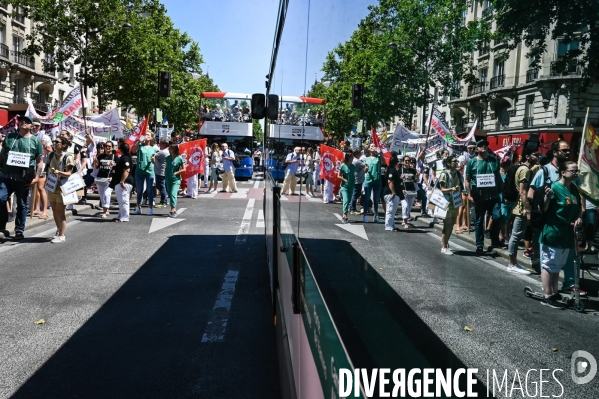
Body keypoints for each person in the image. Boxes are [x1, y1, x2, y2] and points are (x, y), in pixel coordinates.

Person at [538, 161, 583, 309]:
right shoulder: (554, 187)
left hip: (567, 234)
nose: (576, 173)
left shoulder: (574, 189)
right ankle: (547, 295)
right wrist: (546, 198)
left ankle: (555, 291)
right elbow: (543, 209)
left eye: (577, 171)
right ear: (563, 172)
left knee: (558, 264)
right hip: (553, 232)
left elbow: (578, 208)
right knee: (549, 264)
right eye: (573, 171)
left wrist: (578, 218)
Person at [0, 115, 44, 239]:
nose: (23, 122)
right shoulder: (9, 137)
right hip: (6, 175)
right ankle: (2, 223)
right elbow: (3, 154)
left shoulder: (36, 141)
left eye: (27, 121)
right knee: (1, 198)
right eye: (21, 121)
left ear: (32, 126)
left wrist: (36, 177)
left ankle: (19, 230)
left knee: (22, 203)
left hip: (24, 178)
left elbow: (39, 160)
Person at [465, 139, 503, 253]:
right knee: (479, 221)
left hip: (493, 195)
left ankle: (494, 238)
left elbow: (498, 177)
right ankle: (479, 244)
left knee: (498, 216)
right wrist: (469, 194)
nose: (484, 147)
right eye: (481, 145)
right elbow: (467, 180)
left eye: (486, 145)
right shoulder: (472, 162)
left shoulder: (494, 160)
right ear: (476, 149)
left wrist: (503, 191)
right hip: (479, 196)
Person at [506, 147, 539, 274]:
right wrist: (528, 209)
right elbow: (523, 191)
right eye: (535, 155)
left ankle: (513, 262)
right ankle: (512, 264)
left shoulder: (524, 168)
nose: (538, 156)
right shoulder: (525, 170)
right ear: (527, 156)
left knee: (517, 234)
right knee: (516, 235)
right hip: (522, 208)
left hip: (521, 207)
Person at [46, 136, 75, 243]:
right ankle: (58, 231)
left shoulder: (68, 157)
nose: (54, 143)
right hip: (52, 186)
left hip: (63, 187)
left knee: (60, 211)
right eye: (54, 141)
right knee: (54, 210)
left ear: (63, 145)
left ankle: (62, 235)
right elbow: (47, 168)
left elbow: (69, 173)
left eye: (57, 142)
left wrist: (59, 172)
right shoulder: (51, 154)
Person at [438, 155, 464, 254]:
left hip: (456, 202)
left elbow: (461, 186)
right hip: (447, 202)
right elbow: (442, 189)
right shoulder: (444, 174)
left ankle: (446, 243)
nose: (456, 163)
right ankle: (444, 247)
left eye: (456, 161)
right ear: (448, 163)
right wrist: (451, 189)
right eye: (454, 161)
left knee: (451, 225)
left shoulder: (458, 173)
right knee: (447, 225)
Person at [110, 142, 134, 222]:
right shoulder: (124, 157)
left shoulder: (125, 158)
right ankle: (120, 215)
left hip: (124, 182)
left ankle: (125, 217)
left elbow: (127, 170)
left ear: (120, 149)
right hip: (121, 182)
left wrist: (122, 181)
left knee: (124, 200)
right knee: (121, 200)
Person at [132, 134, 156, 215]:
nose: (147, 136)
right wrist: (139, 141)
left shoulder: (153, 148)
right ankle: (138, 207)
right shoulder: (140, 145)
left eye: (149, 135)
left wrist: (153, 160)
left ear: (151, 138)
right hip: (139, 170)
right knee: (139, 190)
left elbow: (154, 161)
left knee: (149, 190)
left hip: (150, 171)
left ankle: (150, 208)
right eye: (146, 135)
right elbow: (133, 151)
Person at [93, 140, 116, 218]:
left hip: (109, 179)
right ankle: (105, 210)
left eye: (109, 146)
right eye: (106, 146)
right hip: (100, 178)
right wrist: (95, 161)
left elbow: (118, 168)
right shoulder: (100, 156)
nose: (107, 148)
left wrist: (113, 177)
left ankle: (105, 212)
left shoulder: (114, 157)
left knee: (107, 194)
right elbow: (96, 167)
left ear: (112, 148)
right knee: (102, 195)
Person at [383, 155, 404, 231]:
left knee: (392, 211)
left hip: (392, 193)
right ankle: (388, 225)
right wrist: (393, 192)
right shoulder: (392, 170)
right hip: (390, 193)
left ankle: (392, 225)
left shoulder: (391, 170)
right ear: (396, 163)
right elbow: (390, 181)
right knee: (390, 210)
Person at [363, 143, 382, 223]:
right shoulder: (366, 159)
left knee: (376, 199)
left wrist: (380, 153)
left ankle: (376, 216)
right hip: (368, 180)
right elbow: (364, 170)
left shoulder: (379, 157)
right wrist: (366, 169)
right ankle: (365, 215)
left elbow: (384, 162)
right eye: (372, 146)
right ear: (369, 149)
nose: (373, 147)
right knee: (367, 199)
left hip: (377, 180)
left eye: (374, 146)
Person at [166, 143, 186, 217]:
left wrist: (177, 172)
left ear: (174, 149)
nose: (168, 149)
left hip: (176, 180)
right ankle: (173, 207)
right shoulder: (167, 158)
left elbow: (184, 169)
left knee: (173, 194)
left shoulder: (179, 158)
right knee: (170, 195)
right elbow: (166, 168)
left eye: (170, 148)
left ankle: (173, 210)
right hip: (168, 179)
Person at [400, 156, 418, 229]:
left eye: (409, 160)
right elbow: (398, 181)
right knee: (405, 206)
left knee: (409, 207)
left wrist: (417, 176)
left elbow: (416, 181)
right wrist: (401, 189)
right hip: (404, 191)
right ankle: (406, 223)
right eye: (406, 160)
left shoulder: (413, 171)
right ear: (403, 161)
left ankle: (404, 220)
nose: (407, 162)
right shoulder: (400, 170)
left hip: (411, 191)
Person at [337, 152, 355, 224]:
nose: (352, 158)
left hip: (351, 186)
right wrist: (344, 179)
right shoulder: (343, 166)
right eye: (351, 157)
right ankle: (345, 216)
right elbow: (338, 176)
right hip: (344, 187)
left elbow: (353, 175)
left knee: (348, 201)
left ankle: (345, 213)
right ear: (348, 158)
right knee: (346, 200)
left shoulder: (353, 166)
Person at [154, 139, 169, 208]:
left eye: (160, 143)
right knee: (163, 186)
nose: (159, 145)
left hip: (160, 171)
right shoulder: (168, 151)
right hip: (164, 171)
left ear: (164, 144)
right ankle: (165, 200)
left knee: (161, 187)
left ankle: (163, 201)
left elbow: (153, 156)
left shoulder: (162, 152)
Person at [350, 149, 365, 214]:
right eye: (359, 153)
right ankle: (352, 208)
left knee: (355, 194)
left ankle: (351, 207)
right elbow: (365, 165)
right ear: (356, 154)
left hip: (355, 179)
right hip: (358, 180)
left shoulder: (353, 160)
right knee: (356, 194)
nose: (360, 154)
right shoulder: (357, 161)